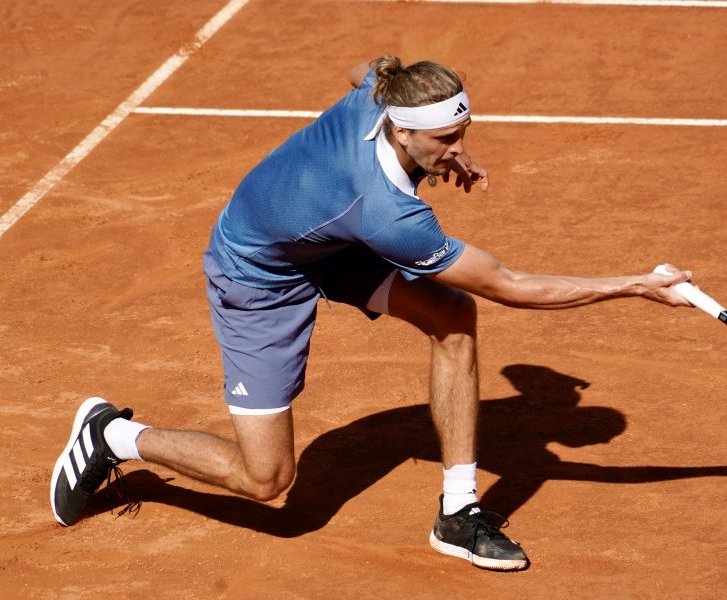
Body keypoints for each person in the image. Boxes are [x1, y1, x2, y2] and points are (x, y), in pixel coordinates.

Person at [50, 55, 693, 571]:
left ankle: (458, 512)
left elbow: (364, 66)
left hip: (327, 241)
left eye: (463, 133)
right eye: (445, 138)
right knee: (266, 479)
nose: (457, 147)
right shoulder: (389, 215)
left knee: (452, 316)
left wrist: (447, 151)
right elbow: (510, 285)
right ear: (401, 129)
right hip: (260, 272)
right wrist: (637, 285)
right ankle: (112, 437)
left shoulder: (381, 93)